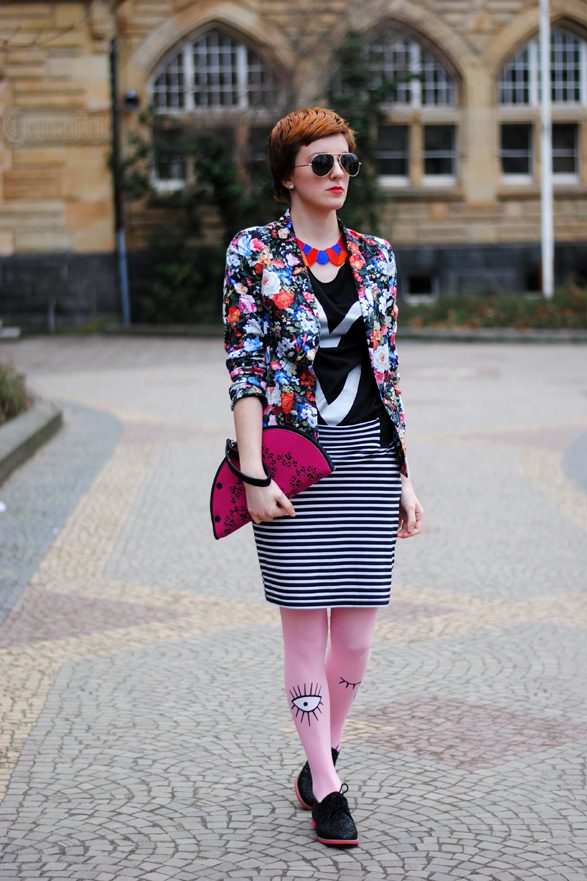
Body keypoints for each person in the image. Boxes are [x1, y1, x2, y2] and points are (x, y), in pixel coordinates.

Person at [222, 106, 423, 847]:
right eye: (322, 163)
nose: (338, 174)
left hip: (369, 459)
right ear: (287, 175)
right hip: (292, 466)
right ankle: (328, 785)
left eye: (346, 163)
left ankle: (321, 754)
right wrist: (249, 474)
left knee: (359, 638)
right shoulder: (254, 253)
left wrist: (403, 471)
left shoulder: (377, 256)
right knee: (305, 631)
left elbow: (389, 370)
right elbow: (244, 371)